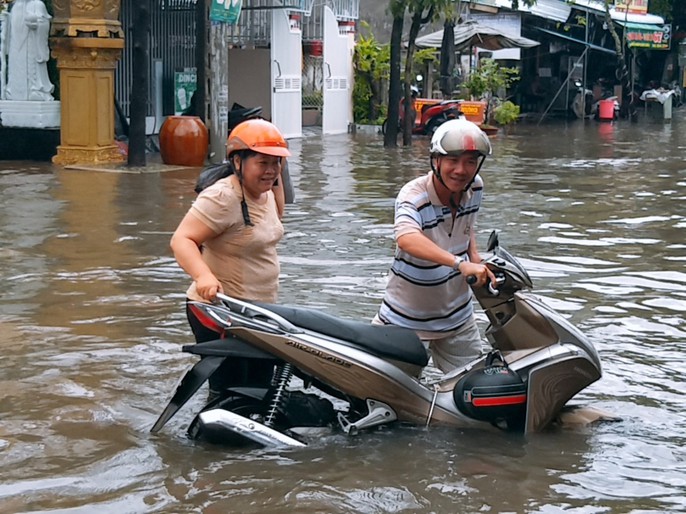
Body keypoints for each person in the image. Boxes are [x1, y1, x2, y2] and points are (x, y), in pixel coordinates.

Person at [170, 118, 290, 399]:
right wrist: (203, 276)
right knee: (230, 391)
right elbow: (182, 240)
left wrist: (275, 177)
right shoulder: (222, 197)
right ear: (238, 163)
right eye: (263, 163)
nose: (271, 171)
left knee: (259, 389)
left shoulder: (267, 191)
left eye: (277, 163)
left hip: (259, 312)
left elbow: (275, 222)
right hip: (220, 312)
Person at [373, 118, 496, 374]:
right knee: (388, 396)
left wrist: (475, 257)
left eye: (470, 162)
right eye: (453, 160)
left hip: (458, 318)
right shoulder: (413, 196)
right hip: (405, 321)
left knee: (476, 388)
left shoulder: (475, 186)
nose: (461, 170)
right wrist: (459, 263)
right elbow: (407, 238)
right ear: (436, 160)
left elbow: (466, 225)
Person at [4, 0, 54, 101]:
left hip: (32, 43)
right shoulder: (15, 6)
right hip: (16, 46)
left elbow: (44, 22)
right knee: (16, 66)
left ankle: (35, 89)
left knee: (32, 66)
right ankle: (13, 92)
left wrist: (37, 24)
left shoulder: (37, 4)